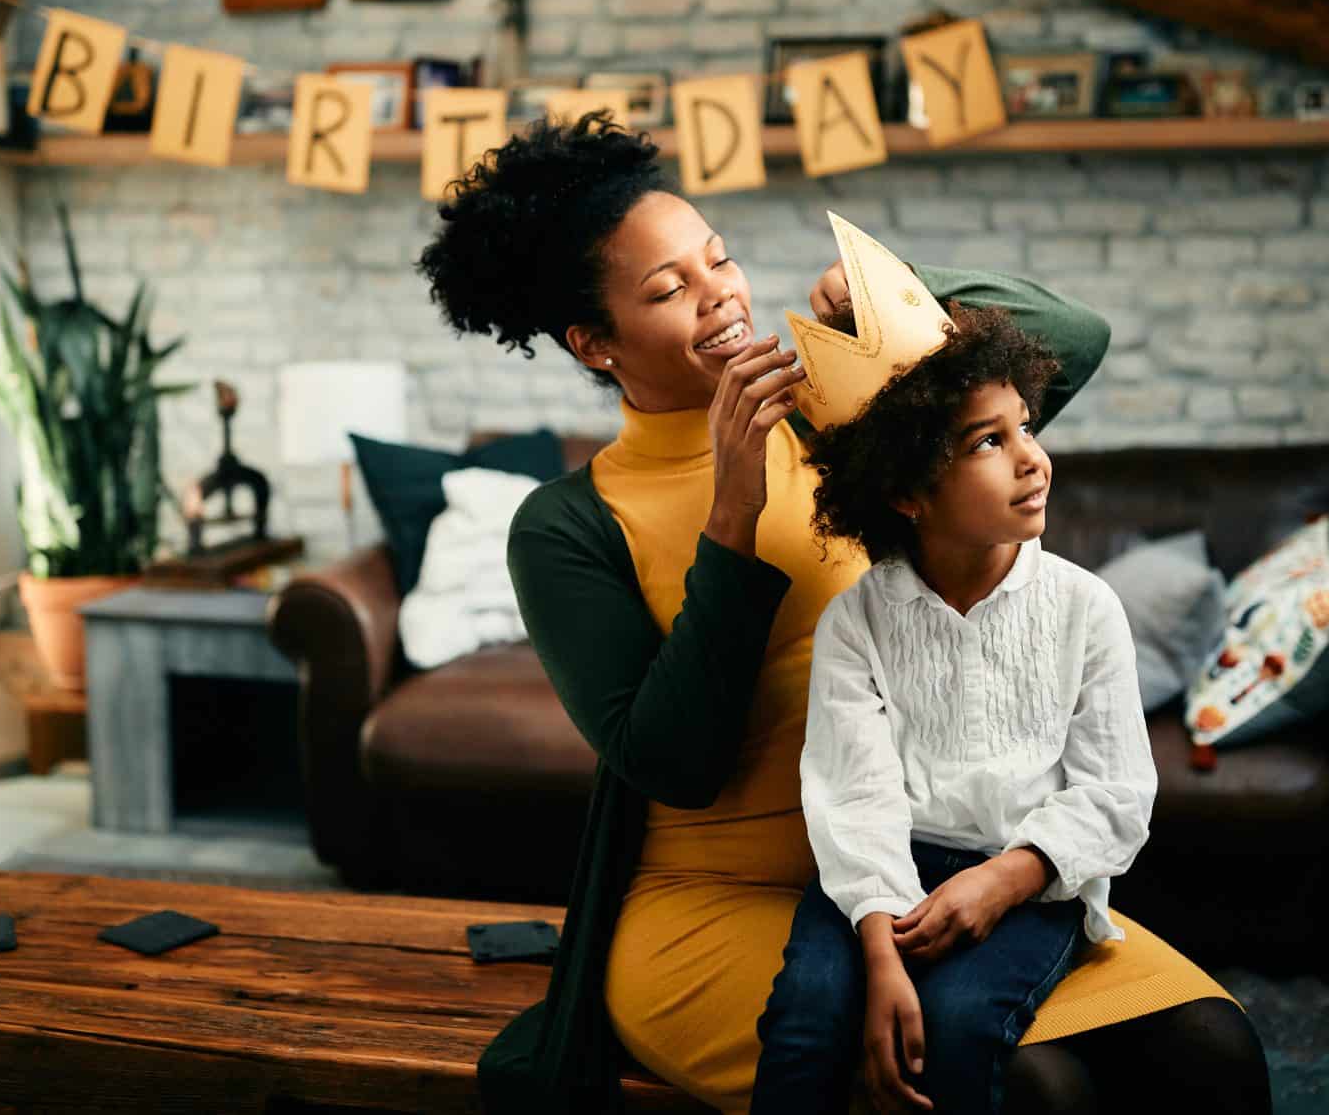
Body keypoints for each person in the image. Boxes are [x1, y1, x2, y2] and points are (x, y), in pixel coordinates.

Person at [414, 113, 1269, 1113]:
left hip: (930, 865)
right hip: (722, 908)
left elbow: (1070, 345)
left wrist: (902, 297)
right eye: (665, 289)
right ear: (592, 343)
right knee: (1038, 1088)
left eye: (717, 260)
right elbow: (673, 764)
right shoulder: (565, 525)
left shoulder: (836, 422)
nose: (719, 297)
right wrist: (730, 517)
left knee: (1214, 1051)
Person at [750, 299, 1160, 1114]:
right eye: (988, 441)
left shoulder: (1085, 607)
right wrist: (880, 949)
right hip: (879, 875)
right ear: (908, 491)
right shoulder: (858, 621)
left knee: (961, 1024)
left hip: (1027, 876)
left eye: (1026, 427)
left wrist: (1005, 879)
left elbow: (1117, 794)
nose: (1033, 461)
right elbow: (853, 795)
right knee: (805, 1025)